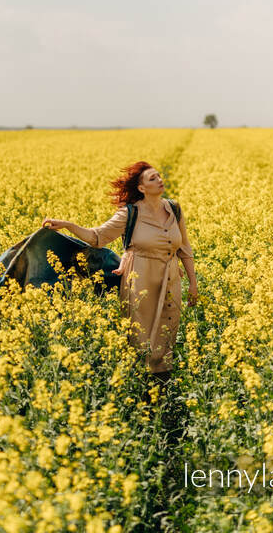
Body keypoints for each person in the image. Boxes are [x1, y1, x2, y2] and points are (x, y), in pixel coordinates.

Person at [42, 161, 198, 390]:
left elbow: (184, 248)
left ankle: (161, 393)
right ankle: (139, 392)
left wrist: (193, 284)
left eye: (159, 176)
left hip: (170, 279)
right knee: (140, 336)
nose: (160, 180)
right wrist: (67, 225)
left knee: (167, 334)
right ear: (142, 188)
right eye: (152, 178)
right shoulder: (130, 213)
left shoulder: (174, 209)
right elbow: (98, 237)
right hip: (140, 279)